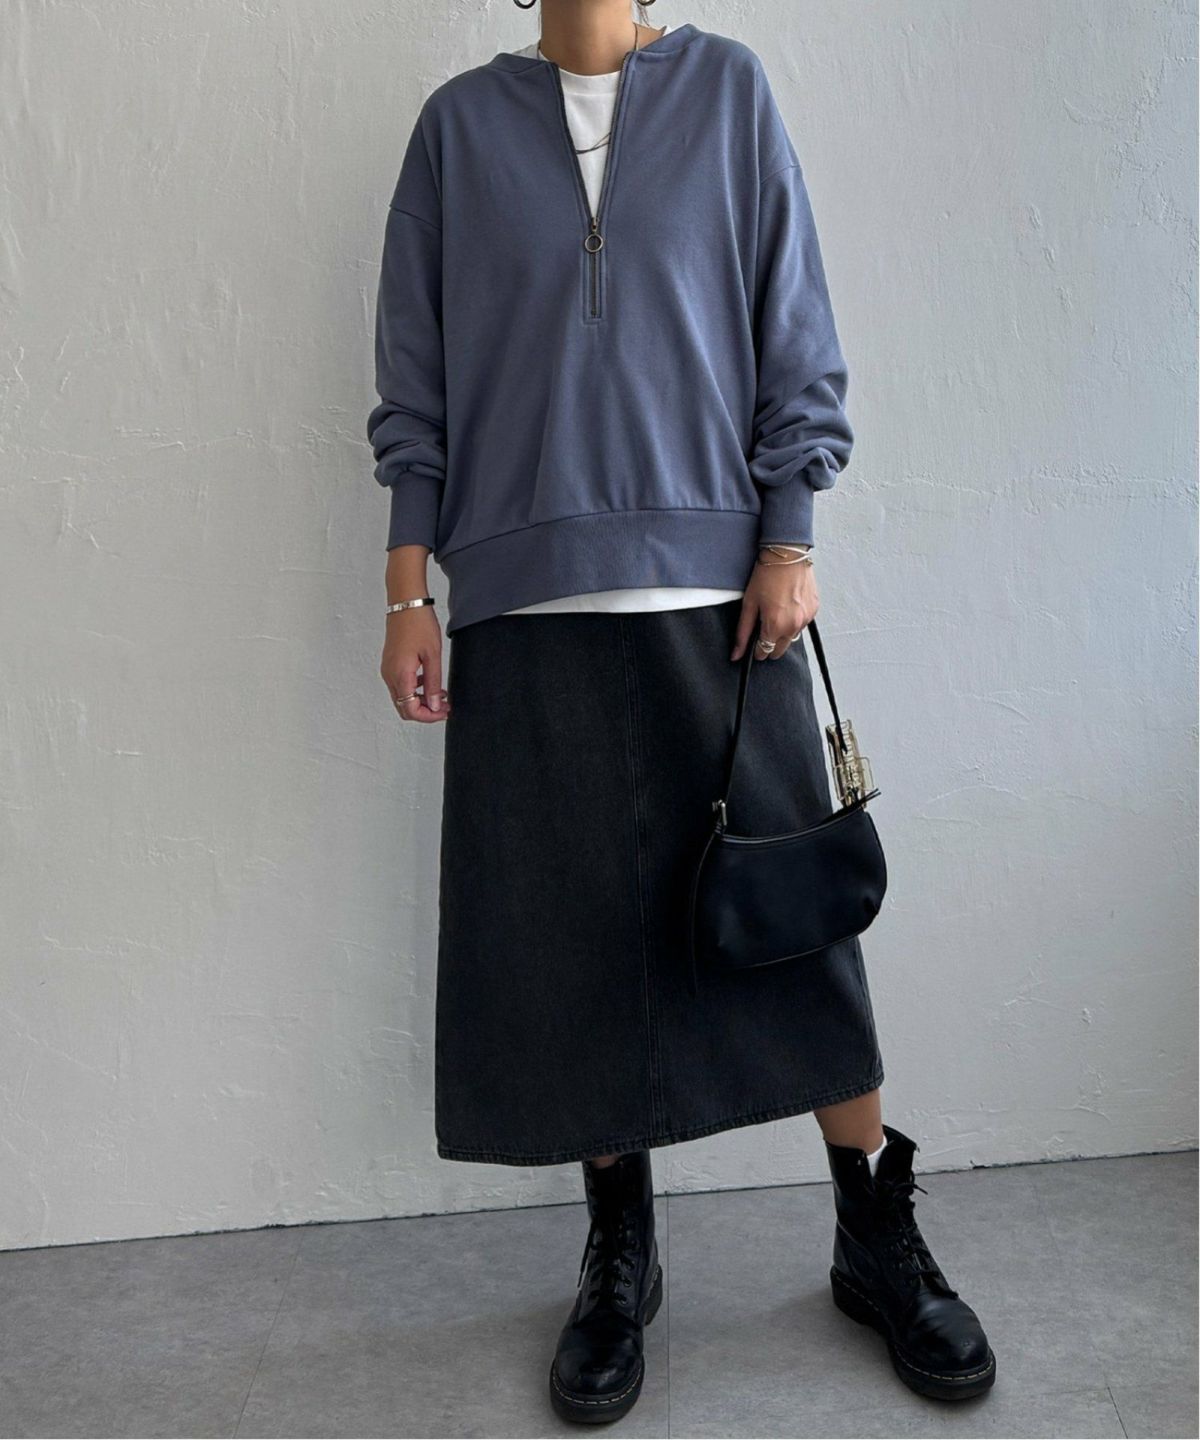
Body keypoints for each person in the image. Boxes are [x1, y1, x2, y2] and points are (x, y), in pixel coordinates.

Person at [367, 2, 995, 1424]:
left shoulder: (727, 93)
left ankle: (873, 1227)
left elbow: (792, 324)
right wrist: (408, 590)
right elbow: (417, 381)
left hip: (721, 593)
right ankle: (621, 1252)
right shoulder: (458, 132)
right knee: (581, 942)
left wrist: (791, 535)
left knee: (799, 926)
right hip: (522, 599)